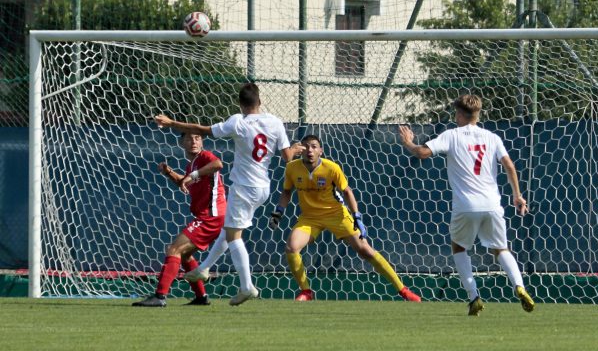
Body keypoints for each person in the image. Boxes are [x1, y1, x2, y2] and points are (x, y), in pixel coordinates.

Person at [155, 83, 304, 306]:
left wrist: (172, 123)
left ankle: (246, 286)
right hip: (263, 187)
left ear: (240, 104)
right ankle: (203, 270)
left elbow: (203, 129)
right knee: (229, 231)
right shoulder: (274, 122)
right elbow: (287, 158)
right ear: (259, 102)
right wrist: (295, 148)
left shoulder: (237, 122)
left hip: (244, 187)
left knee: (234, 236)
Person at [398, 94, 535, 316]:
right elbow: (509, 165)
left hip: (465, 205)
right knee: (501, 249)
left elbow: (423, 153)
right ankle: (519, 286)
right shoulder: (492, 137)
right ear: (478, 114)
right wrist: (517, 195)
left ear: (460, 114)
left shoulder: (452, 135)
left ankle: (474, 297)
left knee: (459, 248)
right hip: (492, 204)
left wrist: (408, 143)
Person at [269, 134, 422, 302]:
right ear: (300, 150)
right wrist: (278, 212)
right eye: (306, 146)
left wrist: (357, 217)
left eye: (314, 146)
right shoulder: (292, 168)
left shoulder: (332, 168)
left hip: (337, 215)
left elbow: (347, 191)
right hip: (310, 218)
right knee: (291, 247)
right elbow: (286, 192)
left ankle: (403, 290)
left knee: (365, 249)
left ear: (321, 151)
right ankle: (306, 291)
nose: (310, 150)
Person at [132, 132, 227, 307]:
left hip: (211, 215)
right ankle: (201, 297)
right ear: (182, 142)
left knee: (174, 249)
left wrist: (194, 175)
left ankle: (160, 297)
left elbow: (218, 164)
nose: (194, 141)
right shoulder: (191, 166)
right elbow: (185, 182)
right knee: (185, 255)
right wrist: (169, 173)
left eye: (197, 138)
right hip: (209, 215)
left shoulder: (205, 157)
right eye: (190, 138)